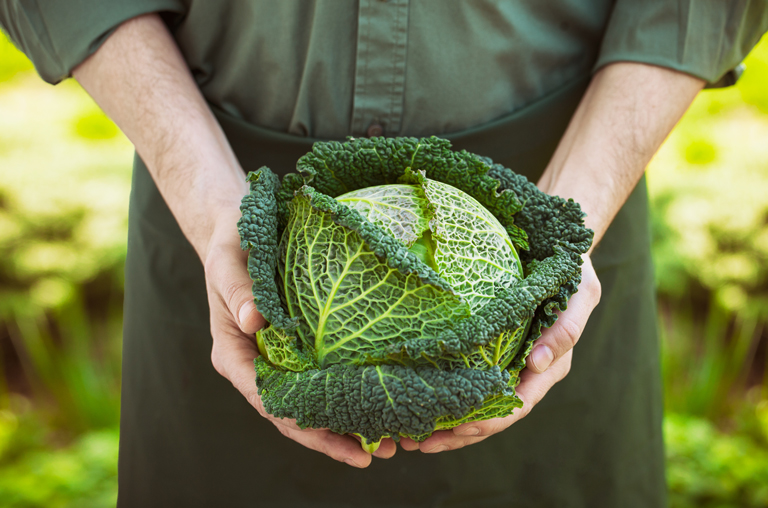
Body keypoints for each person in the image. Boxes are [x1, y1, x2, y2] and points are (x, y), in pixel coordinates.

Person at [2, 2, 766, 506]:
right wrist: (213, 213)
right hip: (220, 212)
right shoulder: (236, 237)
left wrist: (568, 223)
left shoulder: (548, 242)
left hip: (571, 189)